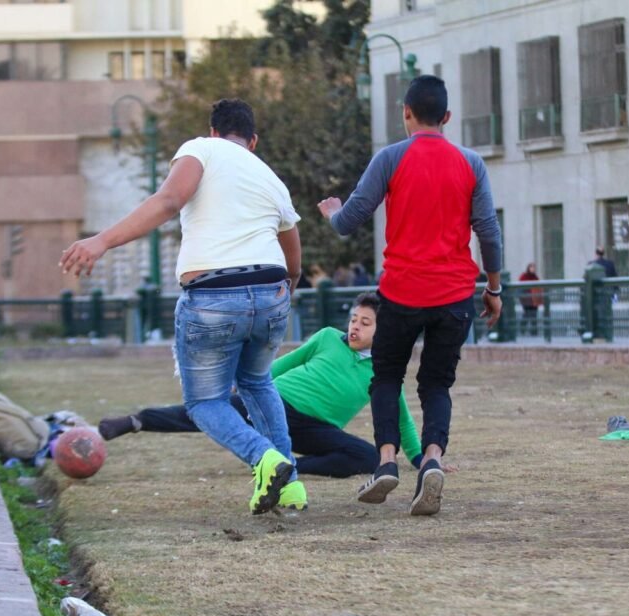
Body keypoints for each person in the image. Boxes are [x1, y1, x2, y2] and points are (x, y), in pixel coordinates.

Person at [59, 98, 304, 515]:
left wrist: (100, 241)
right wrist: (285, 289)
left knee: (205, 403)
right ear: (254, 141)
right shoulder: (270, 177)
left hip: (213, 294)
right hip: (272, 290)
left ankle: (266, 460)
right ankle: (292, 488)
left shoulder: (200, 150)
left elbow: (170, 200)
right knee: (259, 383)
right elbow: (292, 247)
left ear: (212, 132)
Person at [317, 74, 502, 516]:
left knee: (385, 378)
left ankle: (385, 463)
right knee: (436, 383)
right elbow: (489, 233)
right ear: (447, 117)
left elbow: (349, 222)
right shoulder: (471, 163)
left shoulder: (390, 158)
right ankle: (433, 459)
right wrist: (493, 288)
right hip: (455, 294)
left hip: (401, 293)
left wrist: (332, 213)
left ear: (406, 113)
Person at [97, 293, 461, 482]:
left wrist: (422, 459)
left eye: (365, 323)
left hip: (315, 429)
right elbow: (276, 367)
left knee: (368, 458)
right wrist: (245, 391)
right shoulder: (326, 338)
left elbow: (402, 422)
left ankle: (289, 467)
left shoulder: (386, 372)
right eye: (353, 319)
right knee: (203, 414)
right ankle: (136, 421)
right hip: (273, 405)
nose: (354, 327)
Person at [518, 262, 543, 336]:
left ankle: (534, 332)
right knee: (526, 315)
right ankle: (522, 331)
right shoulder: (524, 276)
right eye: (531, 267)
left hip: (534, 299)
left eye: (534, 268)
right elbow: (520, 288)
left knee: (534, 316)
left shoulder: (535, 277)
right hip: (526, 299)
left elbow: (538, 287)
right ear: (528, 268)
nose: (533, 269)